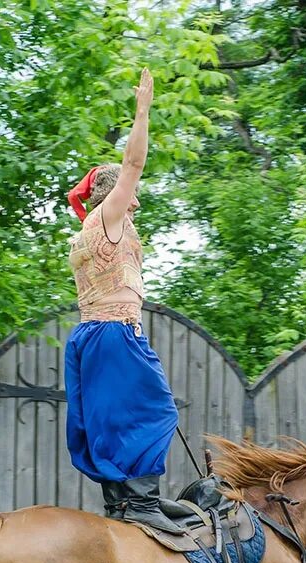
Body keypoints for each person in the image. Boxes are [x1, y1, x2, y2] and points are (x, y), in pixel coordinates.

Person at [64, 67, 194, 534]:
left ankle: (124, 505)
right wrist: (142, 111)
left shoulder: (87, 231)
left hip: (93, 334)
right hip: (116, 333)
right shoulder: (107, 218)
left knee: (110, 420)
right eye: (128, 193)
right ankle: (141, 504)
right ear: (112, 193)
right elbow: (134, 165)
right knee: (156, 410)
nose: (136, 201)